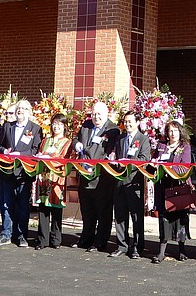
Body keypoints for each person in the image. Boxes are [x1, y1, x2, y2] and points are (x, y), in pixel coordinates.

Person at [0, 100, 43, 247]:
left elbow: (35, 150)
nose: (20, 111)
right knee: (6, 204)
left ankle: (22, 235)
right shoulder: (7, 126)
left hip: (24, 173)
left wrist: (19, 153)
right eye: (19, 108)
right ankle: (6, 234)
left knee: (22, 206)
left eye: (24, 108)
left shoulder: (36, 129)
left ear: (29, 112)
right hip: (7, 171)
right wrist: (5, 151)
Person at [71, 101, 120, 252]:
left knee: (103, 211)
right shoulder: (86, 126)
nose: (96, 117)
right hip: (84, 175)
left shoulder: (113, 130)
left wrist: (91, 160)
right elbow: (75, 139)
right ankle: (85, 239)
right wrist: (77, 144)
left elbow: (108, 151)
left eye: (99, 114)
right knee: (87, 210)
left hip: (101, 177)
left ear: (106, 114)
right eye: (93, 114)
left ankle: (100, 241)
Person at [109, 111, 151, 259]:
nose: (127, 124)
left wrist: (127, 165)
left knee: (136, 218)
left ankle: (138, 247)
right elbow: (117, 155)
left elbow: (144, 158)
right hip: (120, 183)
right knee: (120, 216)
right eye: (125, 121)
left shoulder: (143, 139)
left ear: (137, 122)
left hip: (134, 184)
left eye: (130, 121)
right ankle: (122, 245)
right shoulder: (120, 138)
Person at [152, 120, 193, 263]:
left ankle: (182, 250)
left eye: (175, 130)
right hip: (163, 188)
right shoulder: (161, 146)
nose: (172, 133)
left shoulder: (185, 147)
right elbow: (154, 162)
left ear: (180, 131)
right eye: (170, 131)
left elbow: (185, 167)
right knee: (164, 219)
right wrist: (155, 164)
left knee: (180, 219)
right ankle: (161, 251)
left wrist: (167, 168)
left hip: (179, 187)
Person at [34, 113, 73, 250]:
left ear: (65, 126)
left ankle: (56, 239)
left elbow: (64, 157)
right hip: (44, 177)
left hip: (57, 178)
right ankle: (42, 240)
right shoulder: (45, 140)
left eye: (60, 124)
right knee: (43, 210)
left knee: (56, 210)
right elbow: (39, 154)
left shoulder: (68, 142)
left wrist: (49, 157)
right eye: (54, 124)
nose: (57, 127)